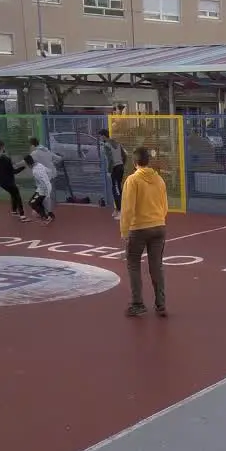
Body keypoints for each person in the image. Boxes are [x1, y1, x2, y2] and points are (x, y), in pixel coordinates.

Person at [119, 146, 167, 318]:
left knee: (133, 264)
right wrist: (159, 219)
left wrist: (125, 232)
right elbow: (165, 205)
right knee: (156, 266)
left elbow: (127, 209)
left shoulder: (132, 181)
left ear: (134, 162)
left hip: (138, 228)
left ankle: (138, 303)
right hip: (158, 226)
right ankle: (161, 304)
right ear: (149, 161)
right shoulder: (159, 180)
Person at [0, 140, 28, 222]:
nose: (4, 148)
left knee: (13, 193)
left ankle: (14, 210)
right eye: (3, 146)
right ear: (2, 147)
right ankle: (22, 215)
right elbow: (14, 171)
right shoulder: (6, 159)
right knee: (17, 195)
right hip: (8, 182)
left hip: (1, 182)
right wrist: (23, 167)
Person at [98, 128, 126, 220]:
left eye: (100, 136)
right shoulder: (117, 143)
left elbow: (110, 160)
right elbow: (125, 155)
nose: (100, 138)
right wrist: (122, 164)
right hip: (120, 167)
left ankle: (121, 211)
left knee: (116, 190)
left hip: (115, 169)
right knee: (117, 189)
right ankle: (118, 209)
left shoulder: (106, 145)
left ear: (103, 136)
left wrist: (109, 171)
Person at [23, 154, 56, 224]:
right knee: (38, 202)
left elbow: (43, 181)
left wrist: (47, 194)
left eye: (25, 163)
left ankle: (46, 217)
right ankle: (49, 214)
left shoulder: (35, 171)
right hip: (44, 187)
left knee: (32, 203)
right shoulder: (39, 165)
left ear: (28, 163)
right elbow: (49, 171)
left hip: (44, 189)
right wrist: (48, 180)